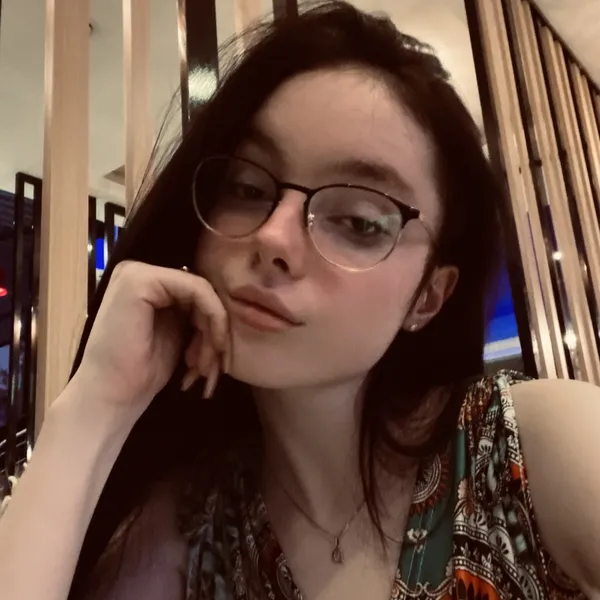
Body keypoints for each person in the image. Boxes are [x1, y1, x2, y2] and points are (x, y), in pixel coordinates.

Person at [1, 2, 599, 599]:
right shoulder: (189, 532)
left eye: (359, 221)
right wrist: (94, 405)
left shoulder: (530, 451)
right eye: (246, 186)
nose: (272, 237)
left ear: (427, 296)